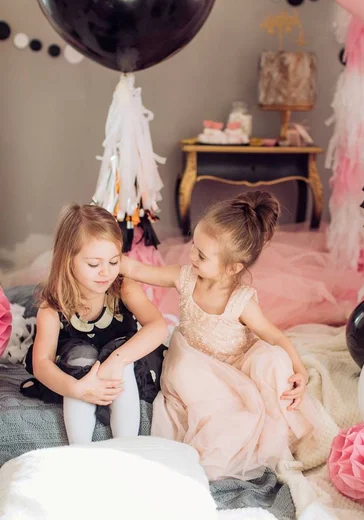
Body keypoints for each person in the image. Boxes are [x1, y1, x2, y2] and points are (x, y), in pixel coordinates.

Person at [121, 191, 318, 480]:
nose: (192, 257)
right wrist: (110, 259)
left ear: (232, 268)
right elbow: (138, 269)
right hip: (198, 366)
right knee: (185, 369)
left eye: (202, 255)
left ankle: (270, 431)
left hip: (237, 369)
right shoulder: (185, 277)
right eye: (193, 247)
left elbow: (277, 337)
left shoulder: (242, 303)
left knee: (272, 359)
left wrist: (300, 371)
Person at [20, 204, 168, 444]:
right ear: (69, 261)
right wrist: (78, 389)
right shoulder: (53, 306)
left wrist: (117, 360)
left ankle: (126, 447)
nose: (105, 273)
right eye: (93, 264)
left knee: (120, 356)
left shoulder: (123, 287)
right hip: (79, 370)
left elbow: (158, 326)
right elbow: (41, 364)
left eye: (113, 261)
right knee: (80, 356)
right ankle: (80, 452)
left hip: (122, 364)